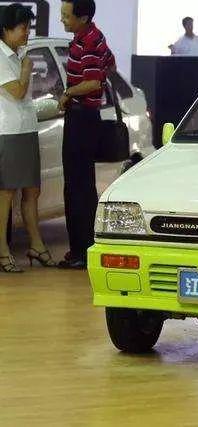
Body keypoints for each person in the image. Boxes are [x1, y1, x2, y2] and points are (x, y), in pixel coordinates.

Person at [58, 0, 115, 269]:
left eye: (66, 15)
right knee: (79, 185)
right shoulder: (92, 36)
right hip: (85, 117)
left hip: (82, 118)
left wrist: (68, 93)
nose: (62, 19)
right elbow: (110, 65)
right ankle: (80, 248)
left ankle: (81, 251)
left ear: (82, 18)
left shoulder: (89, 41)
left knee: (77, 186)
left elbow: (92, 81)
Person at [0, 3, 57, 273]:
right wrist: (25, 68)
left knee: (32, 190)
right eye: (23, 28)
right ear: (6, 29)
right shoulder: (3, 57)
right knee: (6, 194)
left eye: (28, 28)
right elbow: (18, 92)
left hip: (27, 128)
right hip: (8, 131)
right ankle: (3, 250)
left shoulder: (20, 53)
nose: (27, 33)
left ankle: (37, 245)